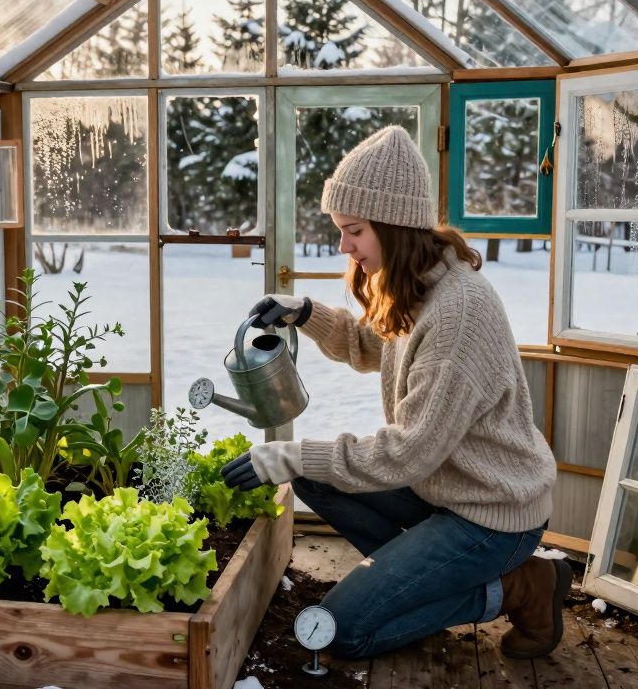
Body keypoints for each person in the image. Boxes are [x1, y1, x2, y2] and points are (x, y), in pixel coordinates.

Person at [221, 125, 566, 661]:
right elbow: (371, 346)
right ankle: (414, 585)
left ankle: (521, 586)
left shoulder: (457, 312)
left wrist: (288, 454)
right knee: (312, 473)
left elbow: (407, 453)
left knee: (341, 632)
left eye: (354, 231)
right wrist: (305, 313)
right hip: (444, 489)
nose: (344, 246)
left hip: (493, 514)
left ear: (394, 225)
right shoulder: (421, 283)